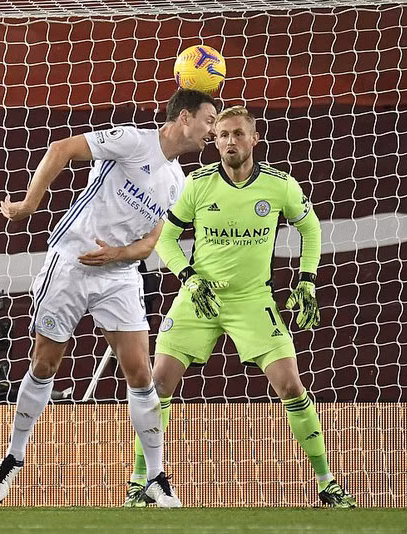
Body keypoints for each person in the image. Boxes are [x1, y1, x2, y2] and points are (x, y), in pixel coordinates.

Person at [0, 89, 219, 508]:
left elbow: (151, 244)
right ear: (184, 117)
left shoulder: (179, 184)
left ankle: (155, 476)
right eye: (209, 119)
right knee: (44, 363)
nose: (212, 131)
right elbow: (61, 149)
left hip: (119, 274)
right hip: (71, 263)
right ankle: (13, 457)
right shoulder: (132, 140)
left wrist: (118, 255)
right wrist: (27, 205)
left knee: (140, 374)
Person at [123, 106, 357, 508]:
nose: (230, 141)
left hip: (252, 300)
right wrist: (189, 277)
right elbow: (165, 238)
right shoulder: (196, 185)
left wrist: (307, 279)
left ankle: (327, 482)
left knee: (290, 386)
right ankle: (140, 483)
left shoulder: (279, 186)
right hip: (200, 297)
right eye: (223, 135)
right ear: (214, 141)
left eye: (237, 134)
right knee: (156, 384)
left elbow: (310, 227)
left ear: (253, 139)